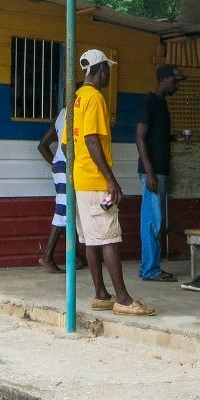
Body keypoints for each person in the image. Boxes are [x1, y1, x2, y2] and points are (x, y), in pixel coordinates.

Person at [72, 49, 153, 316]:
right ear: (102, 70)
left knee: (91, 239)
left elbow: (68, 143)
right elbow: (92, 140)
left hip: (81, 180)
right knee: (108, 237)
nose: (109, 75)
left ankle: (101, 295)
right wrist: (111, 180)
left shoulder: (77, 98)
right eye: (108, 70)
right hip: (95, 182)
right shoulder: (94, 98)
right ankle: (123, 300)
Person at [136, 64, 186, 282]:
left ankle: (150, 266)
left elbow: (154, 136)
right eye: (175, 81)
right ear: (164, 79)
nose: (177, 86)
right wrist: (149, 171)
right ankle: (150, 269)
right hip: (152, 172)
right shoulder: (149, 103)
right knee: (152, 220)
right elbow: (140, 136)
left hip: (159, 171)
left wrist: (173, 137)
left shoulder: (162, 105)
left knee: (155, 219)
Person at [35, 105, 71, 272]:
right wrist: (61, 165)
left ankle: (75, 255)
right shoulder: (73, 111)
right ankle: (47, 256)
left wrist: (55, 163)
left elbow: (42, 145)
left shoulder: (61, 113)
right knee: (63, 210)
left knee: (69, 210)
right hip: (66, 164)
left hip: (60, 164)